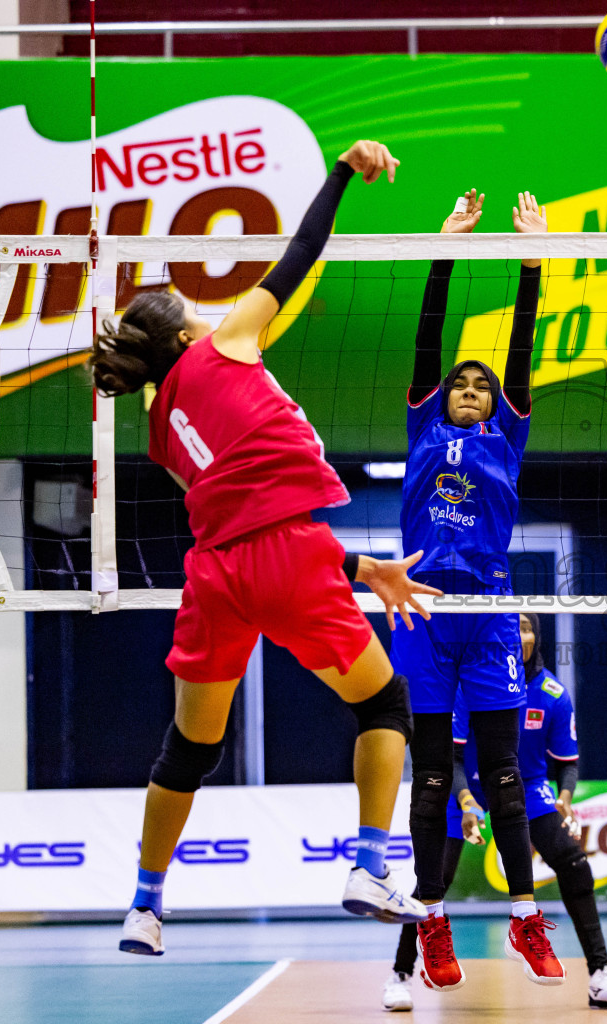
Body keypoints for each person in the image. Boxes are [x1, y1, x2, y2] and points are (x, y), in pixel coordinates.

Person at [89, 140, 435, 956]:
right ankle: (368, 867)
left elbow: (242, 516)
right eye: (188, 305)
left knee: (190, 747)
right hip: (285, 556)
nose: (205, 307)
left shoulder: (159, 431)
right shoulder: (223, 345)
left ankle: (144, 905)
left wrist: (358, 567)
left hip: (216, 573)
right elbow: (301, 252)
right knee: (384, 706)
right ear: (180, 338)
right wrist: (342, 173)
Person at [396, 190, 564, 985]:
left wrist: (533, 266)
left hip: (491, 612)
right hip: (422, 610)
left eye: (481, 384)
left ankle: (527, 917)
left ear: (498, 403)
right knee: (430, 778)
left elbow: (523, 349)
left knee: (501, 773)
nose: (468, 387)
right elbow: (429, 340)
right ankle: (433, 922)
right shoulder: (425, 426)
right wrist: (445, 248)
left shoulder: (509, 433)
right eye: (460, 382)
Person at [381, 613, 607, 1011]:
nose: (521, 635)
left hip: (528, 788)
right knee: (434, 875)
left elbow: (567, 762)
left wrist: (567, 796)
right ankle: (401, 975)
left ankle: (600, 975)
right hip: (466, 786)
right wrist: (467, 801)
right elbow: (448, 758)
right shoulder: (467, 683)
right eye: (516, 626)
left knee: (574, 863)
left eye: (528, 628)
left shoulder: (553, 694)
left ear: (535, 638)